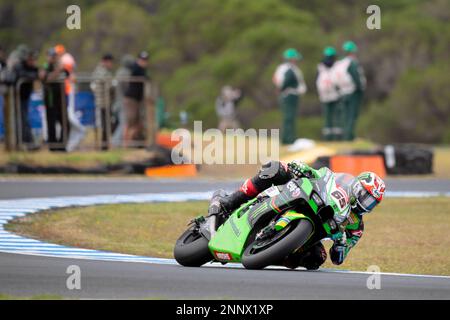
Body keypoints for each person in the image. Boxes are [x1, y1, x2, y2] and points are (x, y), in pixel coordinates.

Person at [208, 160, 385, 270]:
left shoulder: (356, 227)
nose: (366, 203)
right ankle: (231, 201)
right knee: (275, 168)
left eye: (371, 202)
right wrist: (302, 168)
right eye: (366, 196)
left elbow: (338, 259)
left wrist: (341, 244)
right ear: (357, 188)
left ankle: (273, 254)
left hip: (312, 234)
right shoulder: (342, 182)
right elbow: (322, 174)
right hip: (302, 196)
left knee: (317, 260)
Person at [273, 48, 307, 145]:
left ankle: (288, 138)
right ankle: (289, 138)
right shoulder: (289, 69)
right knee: (289, 117)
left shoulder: (283, 68)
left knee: (289, 117)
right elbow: (285, 81)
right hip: (289, 95)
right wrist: (282, 89)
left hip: (288, 94)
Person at [55, 44, 85, 152]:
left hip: (67, 90)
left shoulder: (66, 58)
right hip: (63, 91)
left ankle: (80, 132)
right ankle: (67, 143)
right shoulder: (61, 59)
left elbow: (69, 73)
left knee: (69, 116)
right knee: (65, 118)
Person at [334, 41, 366, 141]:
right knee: (352, 114)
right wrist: (360, 88)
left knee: (345, 114)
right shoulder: (351, 63)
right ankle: (349, 136)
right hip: (353, 91)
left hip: (343, 91)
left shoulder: (340, 63)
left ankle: (344, 135)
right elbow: (356, 77)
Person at [41, 47, 68, 151]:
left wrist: (61, 68)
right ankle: (53, 146)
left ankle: (62, 145)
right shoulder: (46, 66)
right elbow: (46, 78)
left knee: (65, 122)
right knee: (51, 123)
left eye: (55, 55)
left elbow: (68, 74)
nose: (54, 58)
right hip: (50, 98)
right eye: (52, 56)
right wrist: (57, 70)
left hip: (61, 98)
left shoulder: (60, 66)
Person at [13, 47, 39, 148]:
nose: (32, 62)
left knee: (24, 119)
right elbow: (22, 74)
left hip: (24, 97)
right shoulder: (19, 66)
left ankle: (25, 141)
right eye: (30, 59)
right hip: (15, 97)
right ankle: (26, 142)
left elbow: (38, 72)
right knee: (22, 119)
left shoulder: (31, 67)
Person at [316, 46, 343, 141]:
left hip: (325, 94)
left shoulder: (320, 67)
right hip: (334, 94)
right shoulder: (336, 66)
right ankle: (335, 137)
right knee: (336, 116)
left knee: (329, 117)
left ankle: (329, 137)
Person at [123, 51, 149, 145]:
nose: (143, 62)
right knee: (130, 121)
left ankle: (132, 142)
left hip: (137, 100)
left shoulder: (142, 70)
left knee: (138, 123)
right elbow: (137, 72)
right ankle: (126, 143)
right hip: (131, 99)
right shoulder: (136, 68)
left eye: (145, 60)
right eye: (142, 59)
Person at [90, 53, 115, 150]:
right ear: (105, 61)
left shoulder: (102, 71)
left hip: (105, 102)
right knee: (105, 125)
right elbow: (109, 85)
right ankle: (103, 146)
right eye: (110, 62)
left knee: (107, 125)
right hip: (102, 102)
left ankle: (105, 145)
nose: (111, 64)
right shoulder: (101, 71)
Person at [111, 54, 134, 147]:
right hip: (122, 102)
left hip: (118, 102)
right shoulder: (124, 73)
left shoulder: (120, 72)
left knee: (121, 123)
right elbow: (127, 87)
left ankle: (117, 143)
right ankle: (115, 143)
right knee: (123, 123)